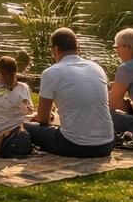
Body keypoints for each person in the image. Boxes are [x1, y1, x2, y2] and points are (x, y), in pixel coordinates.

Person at [25, 28, 115, 157]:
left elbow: (43, 119)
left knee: (23, 126)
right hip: (106, 144)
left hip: (74, 145)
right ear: (76, 47)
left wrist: (39, 118)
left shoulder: (51, 73)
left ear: (55, 49)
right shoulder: (97, 68)